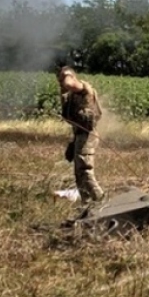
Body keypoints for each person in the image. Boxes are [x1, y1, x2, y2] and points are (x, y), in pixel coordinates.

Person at [57, 66, 105, 203]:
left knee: (85, 171)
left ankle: (101, 201)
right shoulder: (72, 96)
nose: (61, 81)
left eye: (62, 78)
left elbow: (69, 83)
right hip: (80, 135)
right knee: (79, 175)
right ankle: (87, 205)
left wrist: (65, 76)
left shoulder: (84, 88)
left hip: (87, 135)